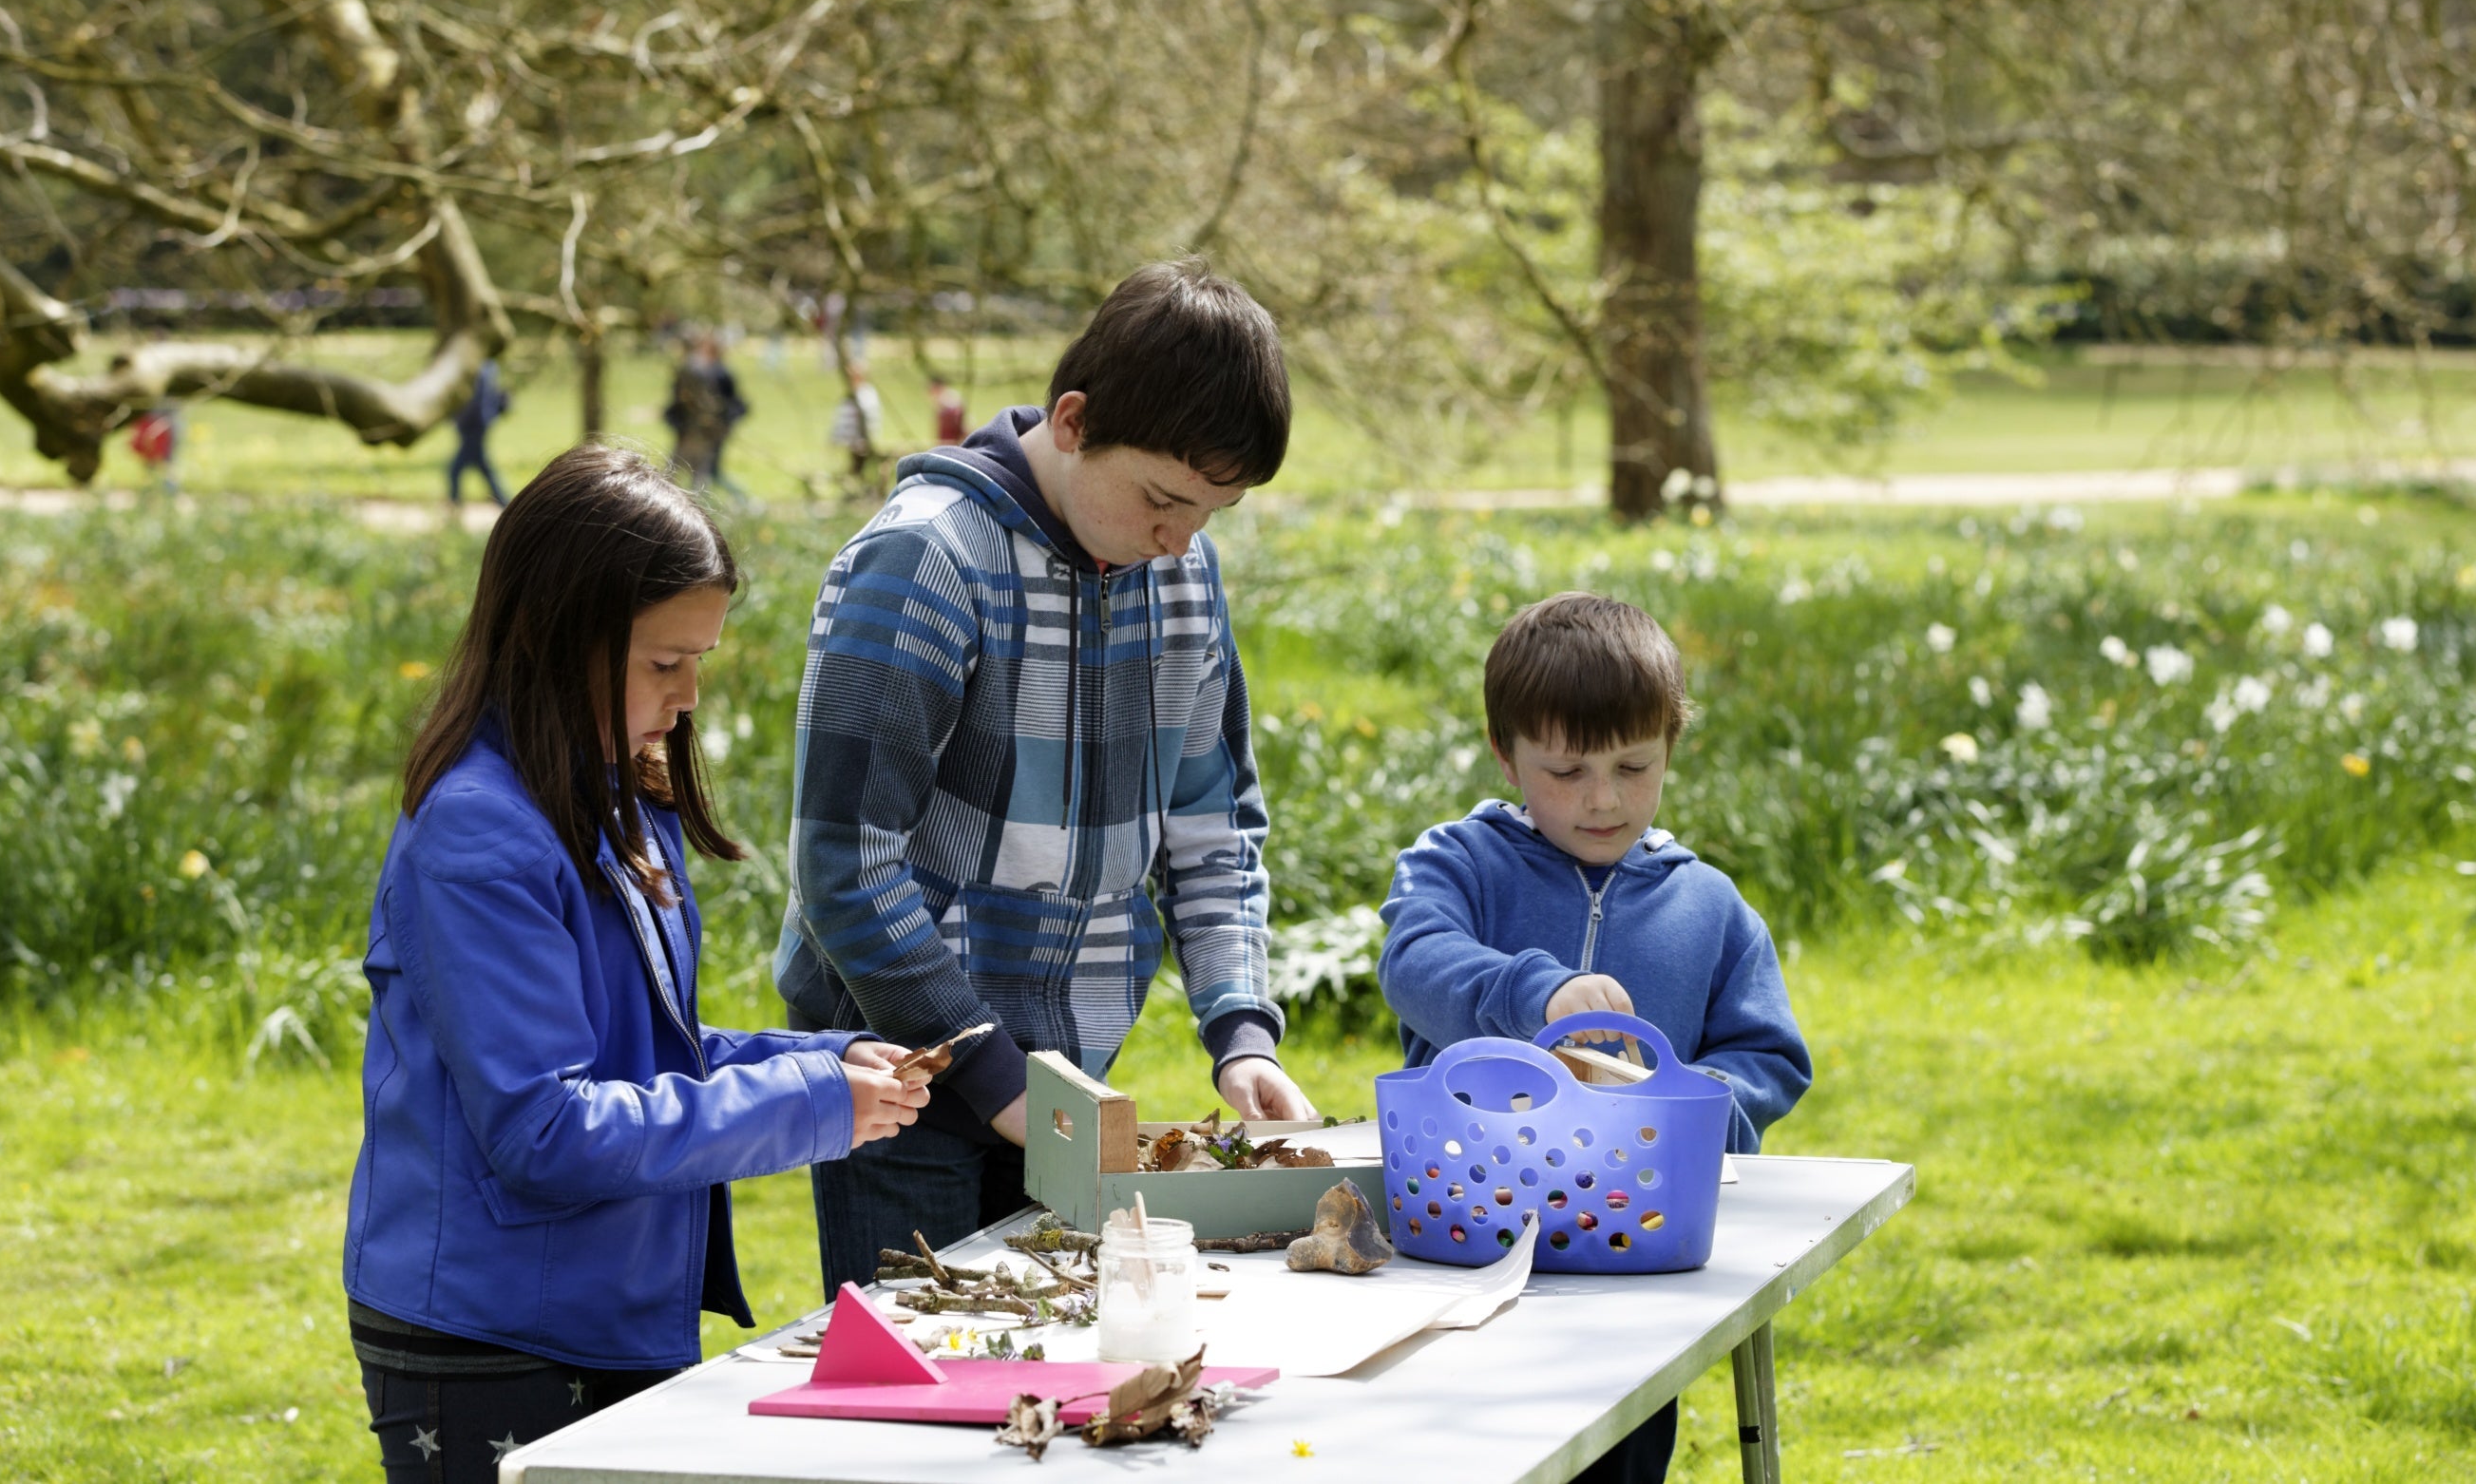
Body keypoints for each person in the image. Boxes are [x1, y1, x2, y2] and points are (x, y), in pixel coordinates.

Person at [342, 443, 931, 1480]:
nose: (690, 694)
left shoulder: (612, 793)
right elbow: (547, 1126)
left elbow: (646, 1050)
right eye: (666, 662)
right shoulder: (478, 832)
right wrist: (809, 1102)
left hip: (603, 1314)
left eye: (700, 658)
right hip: (492, 1340)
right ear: (558, 637)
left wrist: (834, 1057)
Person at [771, 258, 1312, 1293]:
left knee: (1046, 1396)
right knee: (923, 1406)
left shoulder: (1183, 575)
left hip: (1070, 1081)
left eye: (1211, 511)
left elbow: (1212, 830)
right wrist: (982, 1065)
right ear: (1072, 420)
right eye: (1163, 498)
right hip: (904, 1077)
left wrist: (1242, 1030)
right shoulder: (925, 561)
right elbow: (845, 860)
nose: (1181, 537)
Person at [1376, 592, 1814, 1484]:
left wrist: (1679, 1104)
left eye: (1633, 766)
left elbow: (1768, 1056)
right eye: (1567, 771)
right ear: (1507, 753)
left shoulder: (1709, 906)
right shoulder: (1459, 863)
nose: (1604, 799)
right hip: (1461, 1237)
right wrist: (1536, 992)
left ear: (1671, 746)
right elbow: (1414, 962)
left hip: (1635, 1248)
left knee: (1620, 1452)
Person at [664, 332, 749, 498]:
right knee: (678, 471)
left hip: (708, 435)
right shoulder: (690, 371)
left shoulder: (721, 374)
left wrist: (722, 424)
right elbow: (678, 403)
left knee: (706, 473)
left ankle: (743, 500)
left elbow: (736, 405)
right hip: (690, 433)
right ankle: (743, 500)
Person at [447, 357, 511, 506]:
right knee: (483, 468)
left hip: (474, 426)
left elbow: (477, 402)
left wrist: (460, 420)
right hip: (478, 424)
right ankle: (505, 504)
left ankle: (454, 506)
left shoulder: (480, 369)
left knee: (455, 469)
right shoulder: (487, 366)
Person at [829, 355, 888, 491]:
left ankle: (862, 491)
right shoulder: (852, 395)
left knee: (857, 471)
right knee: (854, 471)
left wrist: (865, 439)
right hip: (851, 441)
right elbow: (843, 418)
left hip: (860, 442)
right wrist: (836, 437)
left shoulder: (866, 396)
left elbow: (870, 420)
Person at [927, 376, 967, 447]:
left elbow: (958, 418)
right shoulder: (939, 401)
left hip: (952, 436)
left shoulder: (948, 399)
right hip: (947, 437)